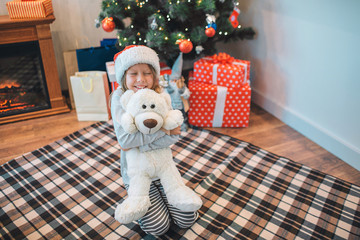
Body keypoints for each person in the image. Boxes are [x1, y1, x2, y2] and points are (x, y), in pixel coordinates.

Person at [110, 45, 199, 236]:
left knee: (187, 218)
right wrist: (162, 131)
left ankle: (166, 193)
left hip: (163, 168)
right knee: (158, 227)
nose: (141, 79)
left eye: (147, 73)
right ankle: (144, 198)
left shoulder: (160, 95)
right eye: (133, 73)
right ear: (123, 77)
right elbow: (125, 141)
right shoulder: (119, 98)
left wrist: (145, 140)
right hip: (137, 173)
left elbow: (174, 135)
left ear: (155, 75)